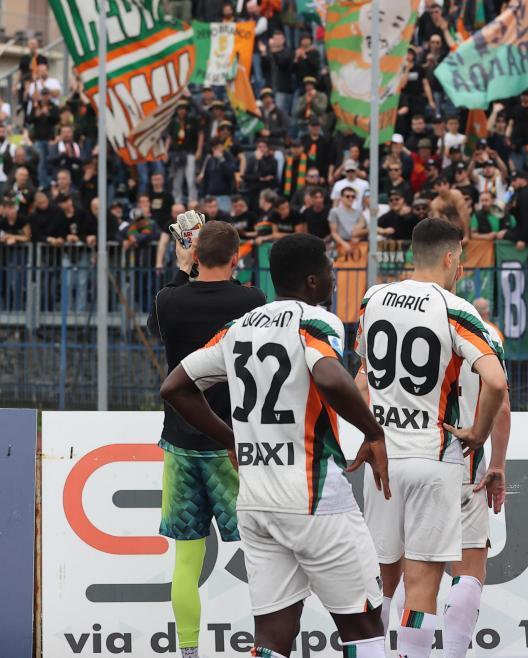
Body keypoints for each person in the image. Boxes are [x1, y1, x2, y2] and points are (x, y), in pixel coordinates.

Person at [160, 233, 391, 658]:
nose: (334, 278)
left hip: (257, 502)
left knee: (272, 634)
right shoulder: (316, 321)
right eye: (329, 270)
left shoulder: (238, 327)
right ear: (313, 280)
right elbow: (329, 375)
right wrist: (374, 433)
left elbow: (174, 386)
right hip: (315, 500)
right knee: (364, 626)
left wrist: (232, 438)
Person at [354, 217, 508, 658]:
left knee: (379, 583)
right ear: (449, 257)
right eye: (460, 259)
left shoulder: (373, 298)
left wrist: (369, 432)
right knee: (422, 586)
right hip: (433, 456)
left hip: (384, 458)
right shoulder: (455, 309)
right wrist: (478, 433)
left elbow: (361, 380)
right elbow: (496, 383)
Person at [146, 218, 267, 658]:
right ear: (236, 258)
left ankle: (189, 651)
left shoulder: (169, 300)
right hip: (233, 444)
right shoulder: (252, 301)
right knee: (262, 556)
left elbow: (156, 323)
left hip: (181, 443)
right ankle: (267, 645)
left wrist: (183, 269)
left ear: (195, 254)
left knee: (186, 561)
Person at [442, 302, 512, 658]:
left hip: (410, 459)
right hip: (464, 460)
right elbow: (501, 404)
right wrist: (497, 464)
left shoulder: (395, 315)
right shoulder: (487, 333)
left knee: (411, 573)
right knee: (468, 571)